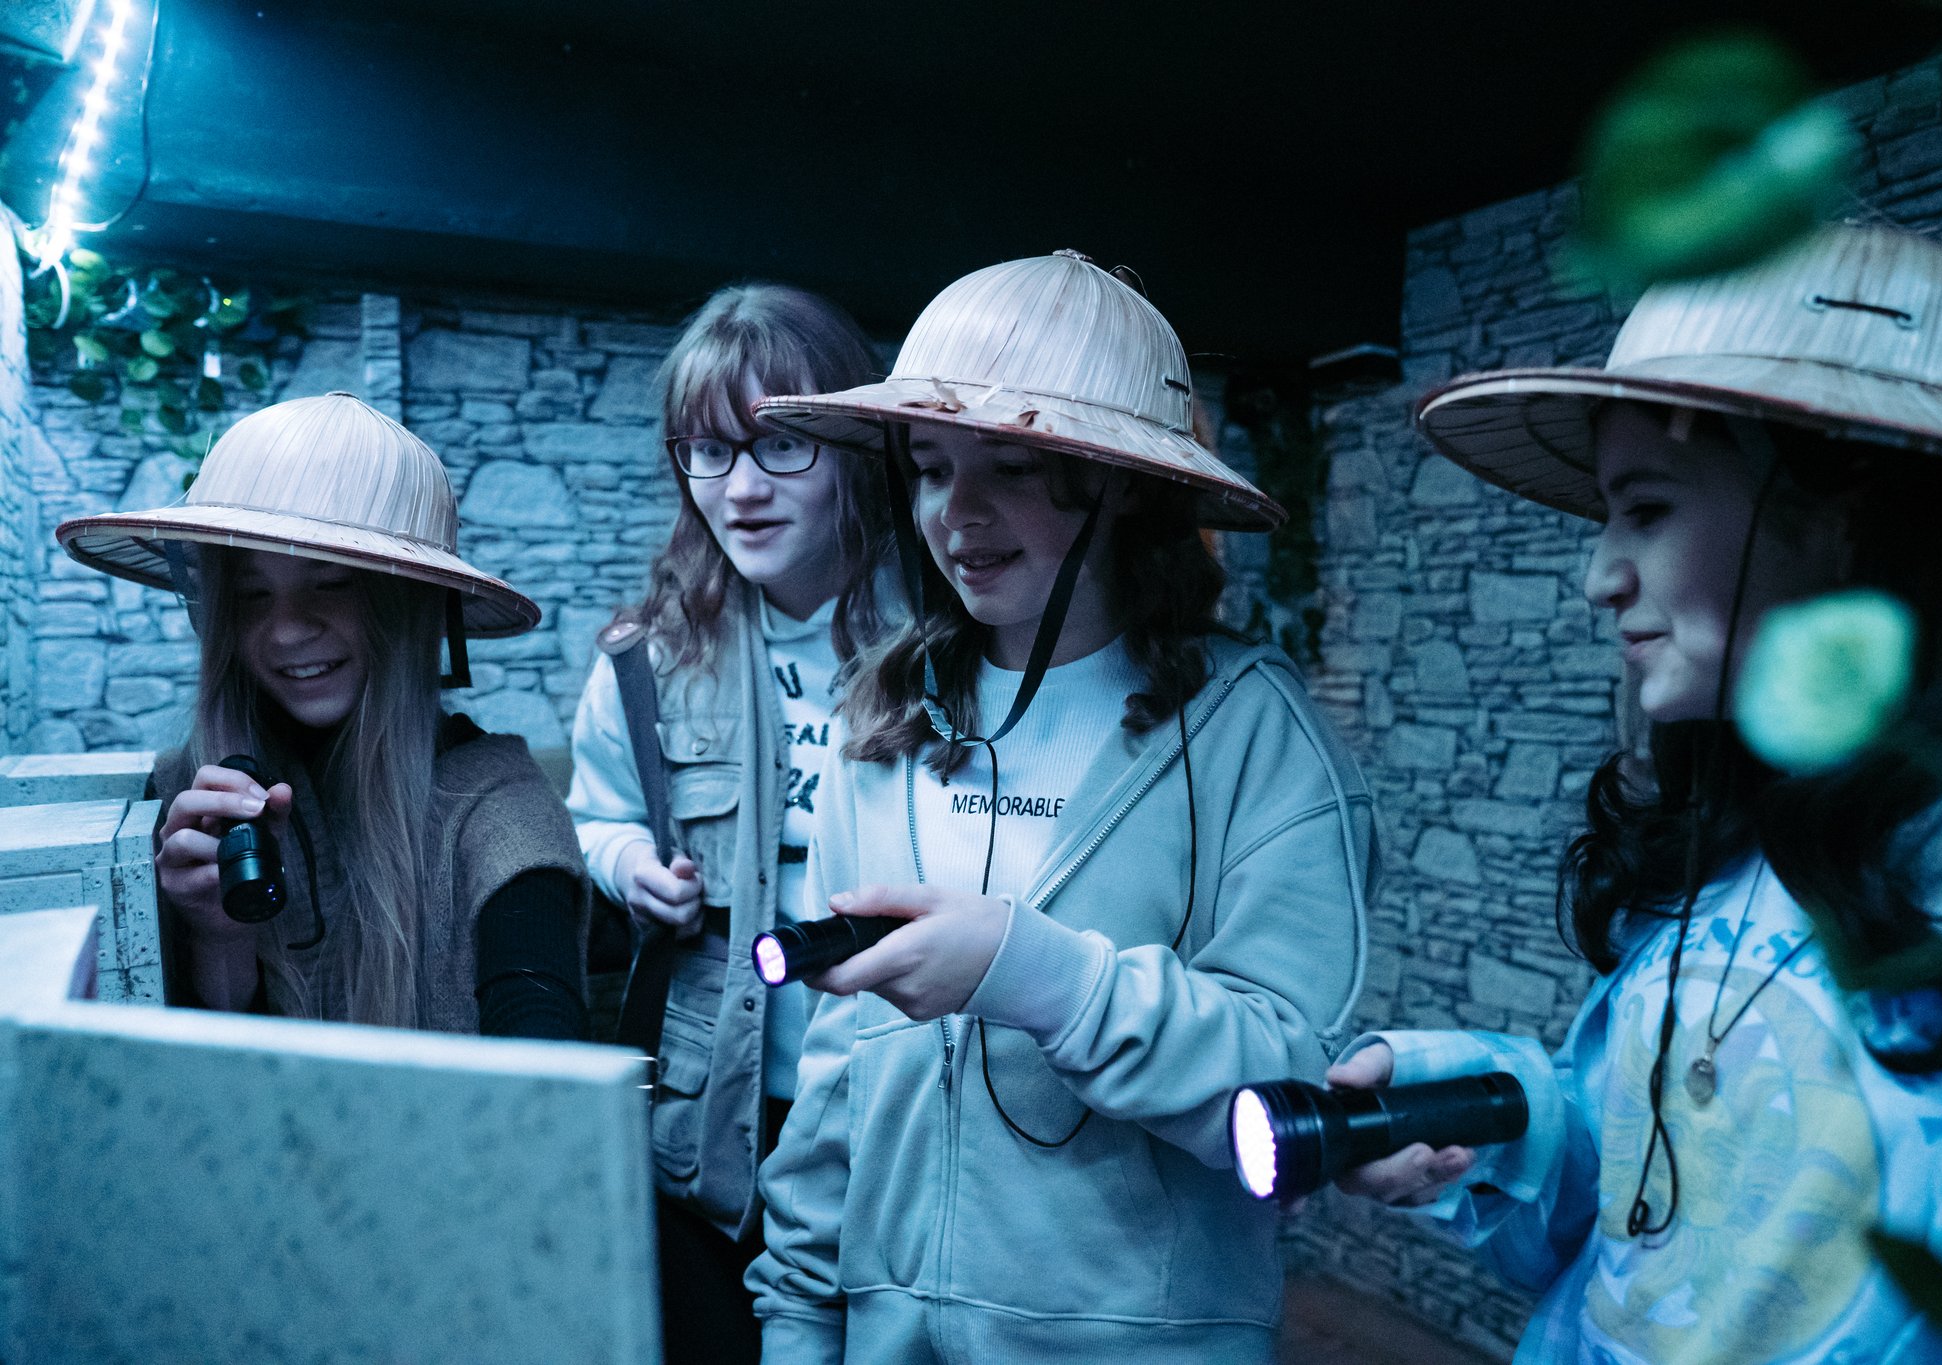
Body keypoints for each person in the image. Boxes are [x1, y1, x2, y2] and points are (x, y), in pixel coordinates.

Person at [1329, 222, 1942, 1362]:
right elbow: (1643, 1215)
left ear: (1843, 514)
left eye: (1649, 507)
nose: (1596, 576)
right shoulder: (1734, 837)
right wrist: (1489, 1110)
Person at [743, 250, 1375, 1362]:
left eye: (1012, 466)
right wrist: (799, 1317)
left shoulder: (1251, 735)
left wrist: (1038, 977)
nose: (956, 514)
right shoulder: (881, 722)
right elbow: (841, 1064)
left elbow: (1296, 1090)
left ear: (1124, 484)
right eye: (929, 467)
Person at [564, 283, 892, 1363]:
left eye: (780, 445)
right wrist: (626, 863)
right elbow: (594, 814)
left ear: (859, 448)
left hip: (899, 1110)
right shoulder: (647, 661)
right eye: (708, 451)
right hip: (717, 1120)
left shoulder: (951, 638)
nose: (740, 489)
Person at [54, 392, 588, 1039]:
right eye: (250, 592)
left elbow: (543, 1045)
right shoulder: (186, 805)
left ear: (412, 602)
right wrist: (218, 935)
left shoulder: (497, 806)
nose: (286, 630)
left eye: (332, 581)